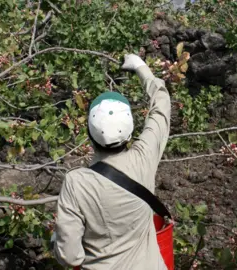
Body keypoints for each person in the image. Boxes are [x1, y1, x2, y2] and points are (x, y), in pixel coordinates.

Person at [51, 54, 171, 270]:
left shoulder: (76, 183)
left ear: (88, 133)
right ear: (130, 132)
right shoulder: (144, 158)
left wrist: (58, 241)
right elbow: (161, 107)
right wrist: (140, 67)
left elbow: (70, 257)